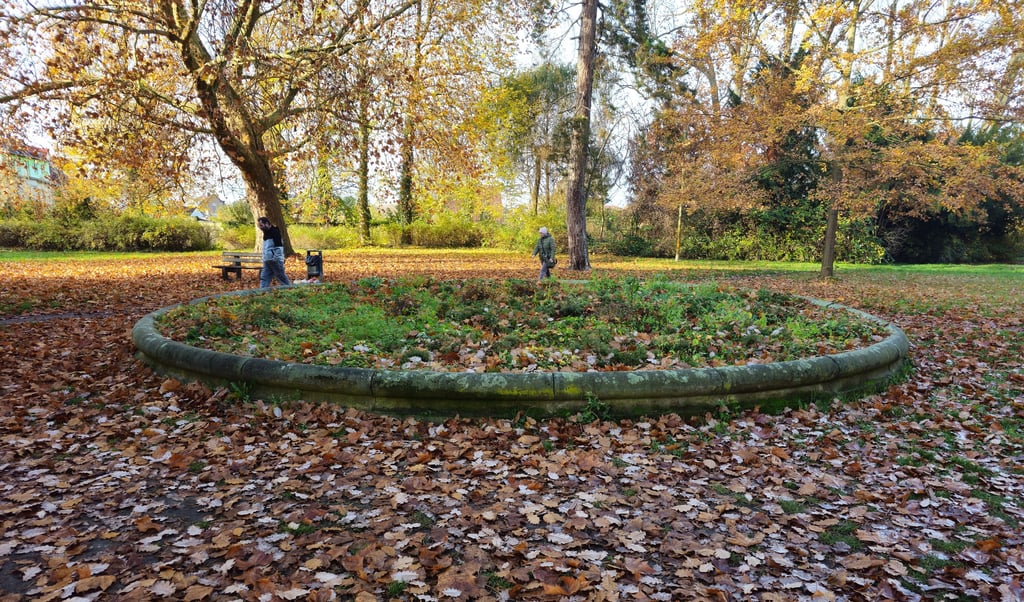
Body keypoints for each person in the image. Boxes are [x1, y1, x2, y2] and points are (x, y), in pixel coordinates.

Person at [257, 216, 291, 288]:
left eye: (261, 225)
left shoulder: (275, 232)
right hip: (267, 260)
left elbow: (279, 247)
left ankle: (289, 288)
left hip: (275, 260)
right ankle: (262, 291)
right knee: (264, 276)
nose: (260, 227)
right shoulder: (265, 233)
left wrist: (276, 258)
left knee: (280, 276)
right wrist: (265, 257)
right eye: (259, 226)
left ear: (267, 223)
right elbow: (266, 247)